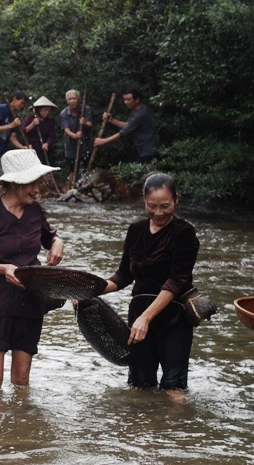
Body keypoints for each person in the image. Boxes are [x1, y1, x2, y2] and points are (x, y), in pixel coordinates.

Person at [0, 149, 65, 392]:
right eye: (33, 184)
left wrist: (57, 241)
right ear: (16, 184)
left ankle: (20, 427)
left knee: (21, 379)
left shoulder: (34, 212)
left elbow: (48, 236)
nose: (37, 190)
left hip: (29, 302)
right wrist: (3, 268)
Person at [98, 173, 198, 398]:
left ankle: (177, 430)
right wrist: (89, 290)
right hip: (138, 319)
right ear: (143, 201)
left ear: (176, 201)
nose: (159, 212)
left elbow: (176, 281)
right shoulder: (135, 230)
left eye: (165, 206)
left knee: (174, 386)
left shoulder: (184, 233)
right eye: (152, 206)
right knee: (140, 386)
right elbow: (123, 275)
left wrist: (146, 317)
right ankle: (145, 430)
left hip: (173, 316)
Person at [94, 89, 160, 162]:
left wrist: (104, 141)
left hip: (149, 150)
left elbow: (124, 132)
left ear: (137, 100)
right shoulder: (136, 111)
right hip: (144, 148)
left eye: (129, 99)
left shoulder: (140, 114)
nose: (126, 102)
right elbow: (128, 125)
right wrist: (111, 120)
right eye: (125, 99)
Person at [60, 89, 93, 172]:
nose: (72, 101)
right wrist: (75, 135)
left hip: (86, 144)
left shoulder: (86, 109)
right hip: (71, 146)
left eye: (74, 98)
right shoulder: (64, 113)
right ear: (67, 101)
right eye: (69, 99)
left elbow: (90, 125)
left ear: (79, 99)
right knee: (73, 171)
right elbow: (66, 130)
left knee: (88, 168)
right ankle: (72, 184)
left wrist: (85, 122)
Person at [22, 96, 57, 166]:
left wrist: (47, 143)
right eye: (45, 110)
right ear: (39, 110)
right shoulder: (30, 119)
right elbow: (23, 132)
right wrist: (33, 124)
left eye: (49, 110)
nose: (47, 112)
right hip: (32, 148)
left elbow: (52, 136)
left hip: (45, 150)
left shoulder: (50, 122)